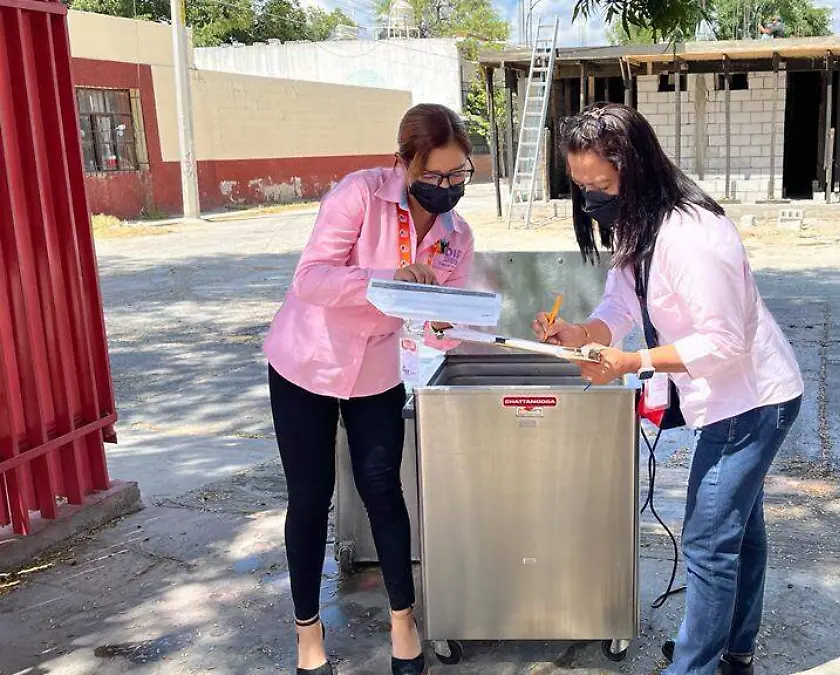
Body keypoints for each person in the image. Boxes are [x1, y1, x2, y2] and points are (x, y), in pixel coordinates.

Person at [532, 103, 804, 675]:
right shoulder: (639, 224)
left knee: (708, 542)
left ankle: (696, 666)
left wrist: (633, 360)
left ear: (637, 168)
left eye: (601, 184)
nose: (592, 200)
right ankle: (734, 653)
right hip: (725, 398)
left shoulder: (694, 236)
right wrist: (579, 333)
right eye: (581, 187)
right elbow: (620, 303)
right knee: (739, 532)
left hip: (751, 401)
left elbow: (725, 340)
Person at [262, 103, 476, 675]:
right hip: (308, 360)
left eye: (459, 175)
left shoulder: (457, 237)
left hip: (378, 368)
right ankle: (309, 634)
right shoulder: (360, 194)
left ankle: (403, 621)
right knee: (310, 496)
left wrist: (447, 321)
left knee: (382, 486)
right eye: (435, 176)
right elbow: (310, 279)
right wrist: (385, 281)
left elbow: (440, 331)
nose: (448, 188)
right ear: (403, 162)